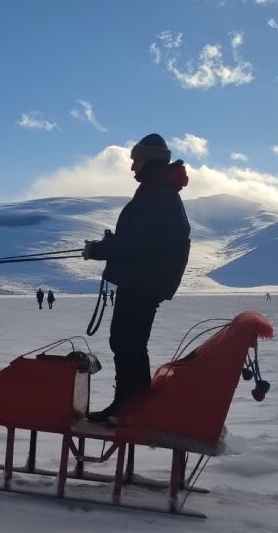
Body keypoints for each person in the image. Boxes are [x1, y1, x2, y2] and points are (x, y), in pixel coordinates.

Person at [81, 133, 190, 424]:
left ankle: (130, 406)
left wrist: (98, 250)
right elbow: (144, 240)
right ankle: (132, 404)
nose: (132, 168)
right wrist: (111, 245)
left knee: (127, 342)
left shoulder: (157, 195)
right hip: (146, 280)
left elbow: (139, 244)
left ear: (148, 161)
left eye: (136, 161)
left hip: (144, 281)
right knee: (128, 342)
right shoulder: (159, 192)